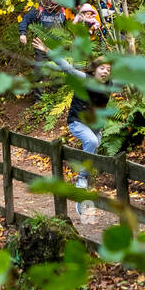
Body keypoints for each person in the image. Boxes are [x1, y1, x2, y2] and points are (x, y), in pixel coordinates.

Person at [45, 51, 111, 217]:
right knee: (92, 142)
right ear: (94, 70)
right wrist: (48, 52)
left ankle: (83, 196)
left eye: (108, 70)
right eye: (102, 68)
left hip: (95, 127)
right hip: (77, 122)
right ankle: (81, 179)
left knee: (93, 153)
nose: (105, 72)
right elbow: (68, 69)